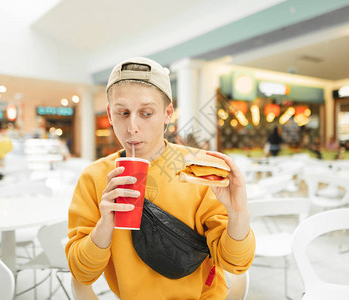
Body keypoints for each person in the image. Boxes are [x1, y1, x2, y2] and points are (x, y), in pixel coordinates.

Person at [65, 57, 255, 299]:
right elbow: (82, 274)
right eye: (123, 113)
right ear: (110, 115)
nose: (132, 127)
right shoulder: (94, 178)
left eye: (146, 113)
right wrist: (104, 226)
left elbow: (234, 264)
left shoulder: (199, 169)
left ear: (167, 113)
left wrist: (238, 213)